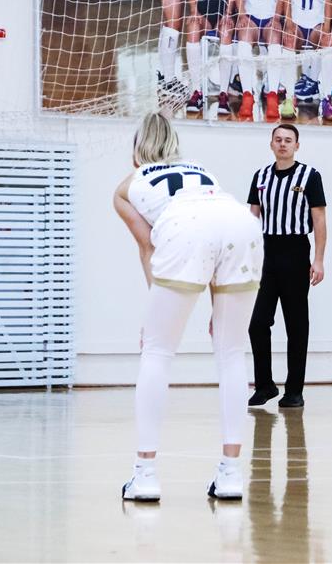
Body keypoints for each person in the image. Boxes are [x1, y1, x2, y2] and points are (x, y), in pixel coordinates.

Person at [113, 112, 262, 501]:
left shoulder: (129, 184)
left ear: (137, 150)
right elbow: (216, 229)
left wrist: (156, 313)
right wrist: (217, 305)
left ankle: (145, 475)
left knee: (157, 351)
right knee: (231, 352)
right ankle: (231, 474)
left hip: (186, 228)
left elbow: (148, 245)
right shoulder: (201, 170)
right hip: (241, 225)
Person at [247, 124, 327, 409]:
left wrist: (318, 259)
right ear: (271, 144)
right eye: (278, 140)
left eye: (288, 140)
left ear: (296, 145)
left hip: (295, 251)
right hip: (267, 254)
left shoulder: (310, 176)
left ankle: (294, 391)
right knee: (257, 323)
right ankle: (265, 385)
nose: (282, 144)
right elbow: (252, 218)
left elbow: (319, 219)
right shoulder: (261, 176)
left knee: (296, 325)